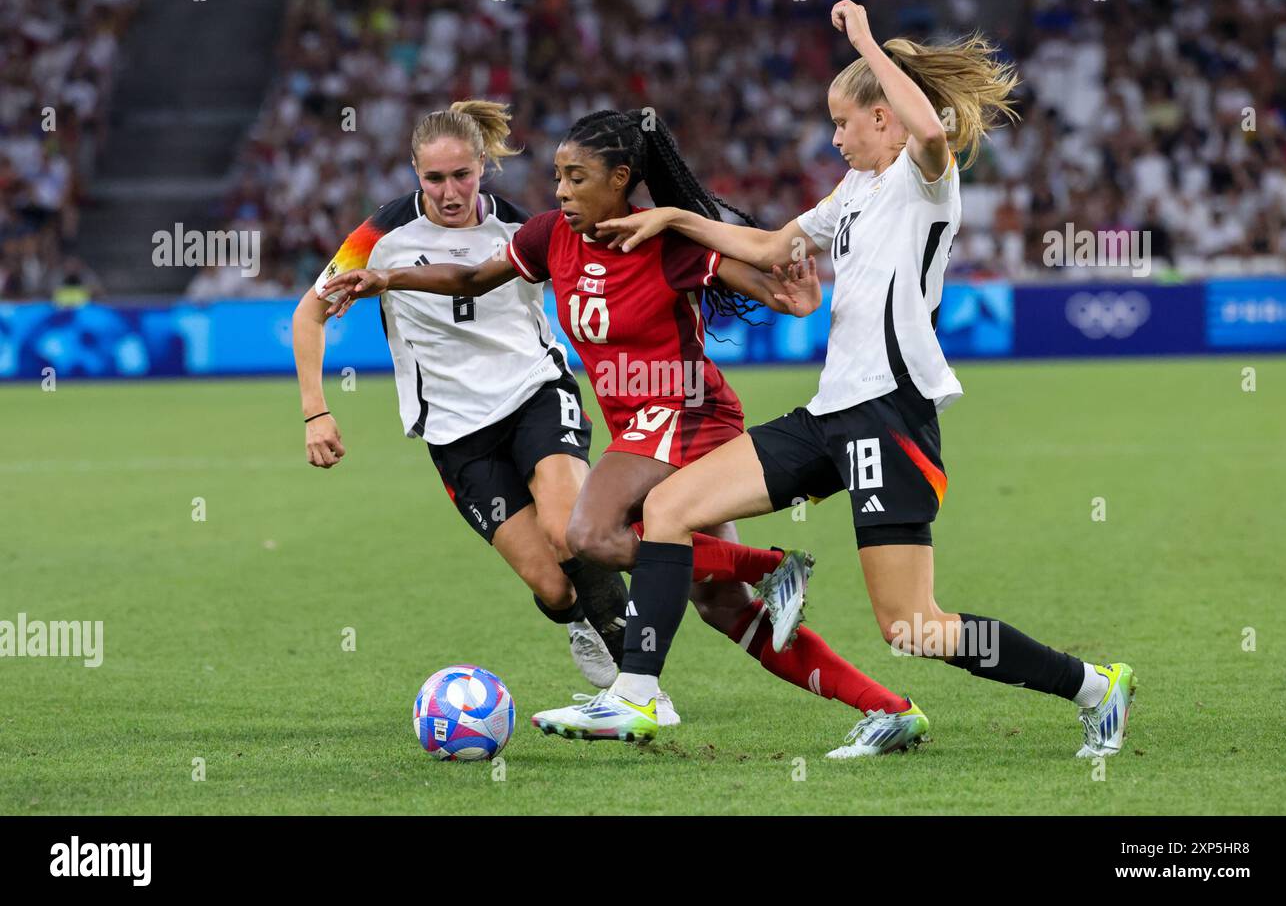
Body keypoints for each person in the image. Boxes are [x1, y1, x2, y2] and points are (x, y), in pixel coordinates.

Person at [547, 0, 1137, 760]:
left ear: (884, 118)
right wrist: (674, 222)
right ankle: (637, 695)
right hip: (830, 413)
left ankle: (1094, 685)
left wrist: (864, 41)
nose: (834, 136)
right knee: (666, 507)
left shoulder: (927, 179)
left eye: (843, 122)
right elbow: (768, 245)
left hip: (891, 417)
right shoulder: (851, 194)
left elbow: (929, 130)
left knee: (912, 625)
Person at [322, 108, 917, 741]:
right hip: (639, 426)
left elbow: (776, 292)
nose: (560, 192)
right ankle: (888, 708)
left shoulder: (664, 241)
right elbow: (471, 276)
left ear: (620, 180)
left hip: (688, 411)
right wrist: (385, 276)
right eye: (557, 177)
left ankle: (733, 602)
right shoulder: (551, 236)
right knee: (722, 606)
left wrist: (795, 296)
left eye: (577, 179)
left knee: (589, 532)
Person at [293, 101, 636, 700]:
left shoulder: (522, 227)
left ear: (483, 166)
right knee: (553, 587)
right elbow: (310, 312)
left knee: (567, 528)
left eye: (462, 176)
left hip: (535, 392)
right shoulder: (380, 237)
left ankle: (640, 683)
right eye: (434, 178)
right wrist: (315, 409)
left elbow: (602, 283)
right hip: (456, 431)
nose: (450, 192)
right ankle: (586, 621)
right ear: (414, 174)